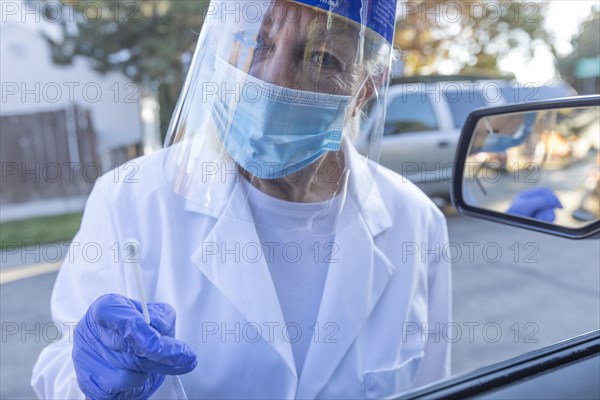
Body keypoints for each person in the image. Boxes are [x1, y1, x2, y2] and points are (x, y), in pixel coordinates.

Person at [31, 1, 452, 399]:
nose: (274, 78)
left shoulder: (417, 223)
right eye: (255, 41)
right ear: (218, 45)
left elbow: (434, 387)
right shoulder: (130, 199)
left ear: (366, 85)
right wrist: (91, 382)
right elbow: (61, 371)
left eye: (323, 58)